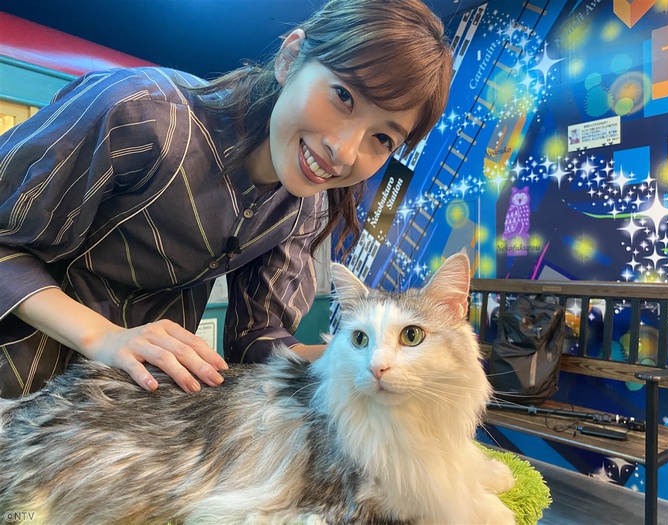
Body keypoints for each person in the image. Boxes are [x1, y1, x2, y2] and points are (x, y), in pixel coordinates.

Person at [0, 0, 452, 398]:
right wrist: (104, 337)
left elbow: (255, 338)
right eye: (343, 96)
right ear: (291, 58)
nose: (345, 151)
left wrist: (352, 357)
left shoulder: (304, 207)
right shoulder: (140, 112)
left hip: (123, 420)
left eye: (382, 138)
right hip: (16, 387)